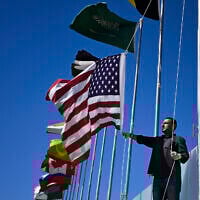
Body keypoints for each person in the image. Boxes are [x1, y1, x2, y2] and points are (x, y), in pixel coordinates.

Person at [123, 117, 189, 200]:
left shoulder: (179, 139)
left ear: (173, 126)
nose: (162, 125)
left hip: (172, 178)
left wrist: (178, 156)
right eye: (162, 123)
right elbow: (143, 139)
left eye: (166, 123)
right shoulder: (157, 140)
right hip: (157, 179)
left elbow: (185, 155)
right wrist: (130, 135)